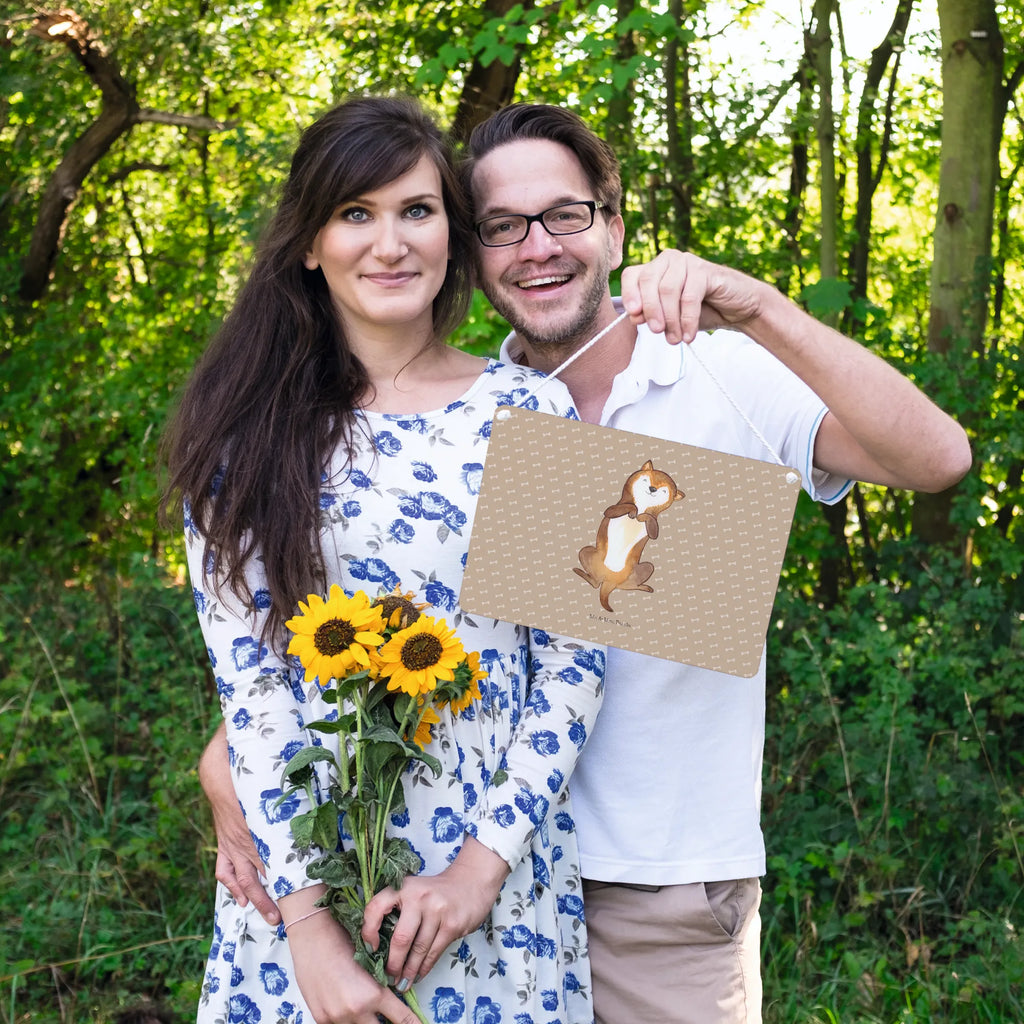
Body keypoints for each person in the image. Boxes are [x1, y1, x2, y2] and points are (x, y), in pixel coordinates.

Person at [201, 102, 972, 1024]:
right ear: (474, 249)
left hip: (654, 887)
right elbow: (351, 633)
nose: (537, 247)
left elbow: (936, 462)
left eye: (564, 215)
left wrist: (759, 307)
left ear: (612, 225)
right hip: (449, 877)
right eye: (502, 227)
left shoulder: (705, 372)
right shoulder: (464, 412)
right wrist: (235, 764)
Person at [163, 96, 610, 1024]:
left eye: (417, 210)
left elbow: (573, 666)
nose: (391, 243)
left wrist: (477, 874)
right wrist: (311, 936)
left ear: (452, 230)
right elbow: (253, 692)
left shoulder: (531, 412)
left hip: (492, 887)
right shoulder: (242, 439)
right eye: (355, 214)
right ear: (308, 243)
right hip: (303, 885)